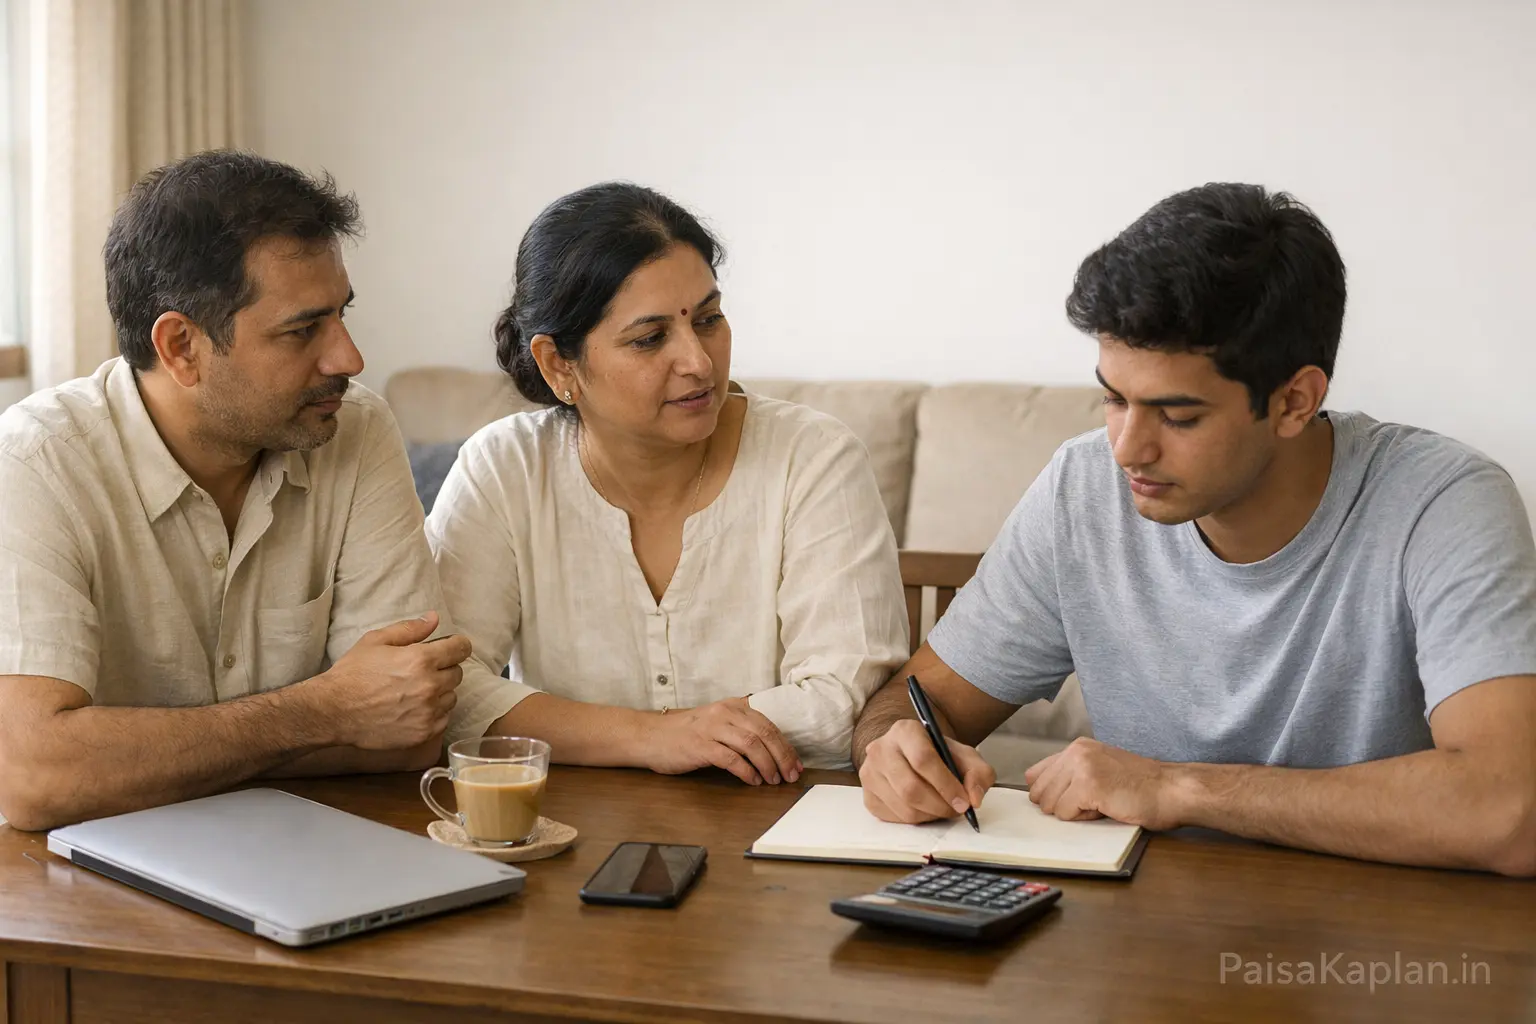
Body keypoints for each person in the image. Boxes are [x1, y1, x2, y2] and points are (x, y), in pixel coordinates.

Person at [852, 183, 1536, 876]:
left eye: (1177, 417)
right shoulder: (1082, 487)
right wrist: (894, 747)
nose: (1126, 449)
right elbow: (921, 700)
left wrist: (1176, 787)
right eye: (1113, 398)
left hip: (1372, 945)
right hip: (1147, 932)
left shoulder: (1443, 501)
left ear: (1296, 401)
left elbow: (1511, 810)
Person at [0, 151, 473, 831]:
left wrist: (129, 760)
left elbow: (410, 728)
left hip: (308, 845)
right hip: (85, 886)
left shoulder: (354, 427)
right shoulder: (38, 461)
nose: (349, 359)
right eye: (304, 329)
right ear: (181, 347)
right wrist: (325, 712)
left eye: (341, 314)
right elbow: (35, 778)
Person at [428, 182, 907, 783]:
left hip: (779, 826)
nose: (699, 362)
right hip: (569, 828)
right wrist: (653, 737)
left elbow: (843, 705)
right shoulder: (504, 469)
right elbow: (445, 693)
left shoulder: (812, 459)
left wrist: (605, 732)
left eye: (709, 319)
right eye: (650, 338)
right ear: (558, 364)